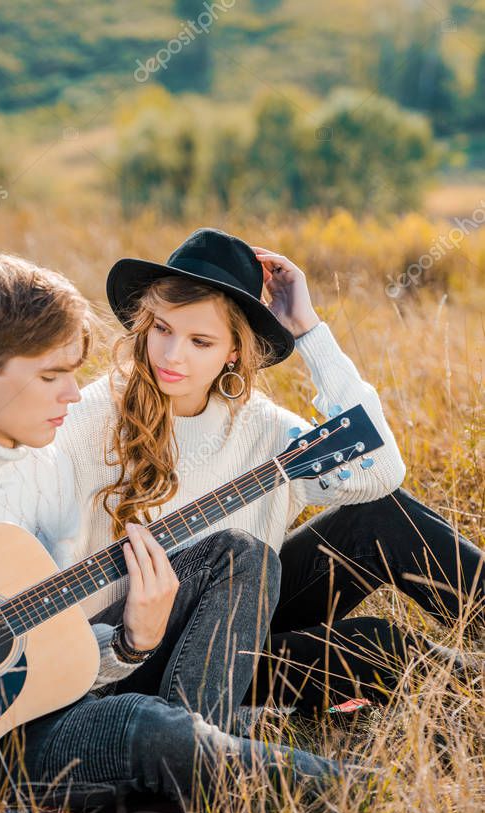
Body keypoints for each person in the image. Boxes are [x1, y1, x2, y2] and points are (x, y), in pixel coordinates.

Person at [0, 253, 347, 813]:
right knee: (157, 736)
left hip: (22, 728)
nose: (73, 394)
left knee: (153, 708)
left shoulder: (45, 470)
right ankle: (368, 801)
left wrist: (132, 643)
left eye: (72, 373)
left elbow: (47, 662)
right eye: (50, 376)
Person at [56, 228, 485, 722]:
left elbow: (382, 471)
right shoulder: (91, 418)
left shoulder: (260, 425)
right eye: (162, 330)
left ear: (234, 351)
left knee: (381, 516)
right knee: (377, 645)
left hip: (244, 621)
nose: (173, 356)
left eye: (200, 341)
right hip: (140, 653)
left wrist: (308, 330)